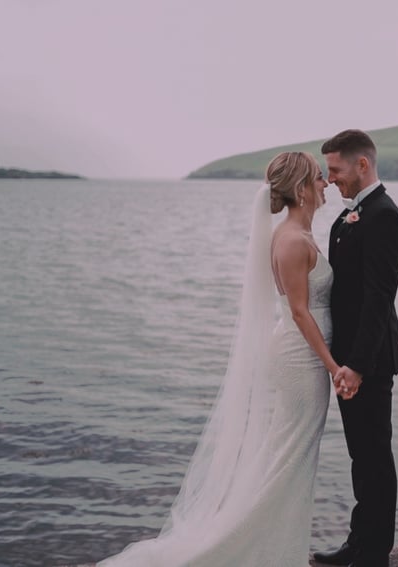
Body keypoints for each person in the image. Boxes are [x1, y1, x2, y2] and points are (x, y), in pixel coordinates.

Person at [98, 151, 343, 566]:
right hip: (301, 360)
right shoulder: (291, 241)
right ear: (302, 188)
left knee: (290, 456)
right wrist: (334, 367)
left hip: (306, 357)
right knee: (290, 458)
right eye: (319, 178)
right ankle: (245, 550)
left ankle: (278, 548)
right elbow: (300, 312)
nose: (325, 184)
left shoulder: (299, 234)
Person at [314, 130, 398, 567]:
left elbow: (378, 299)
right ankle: (358, 541)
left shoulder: (385, 216)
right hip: (348, 358)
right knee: (361, 456)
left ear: (362, 164)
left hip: (368, 361)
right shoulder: (349, 216)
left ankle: (375, 554)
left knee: (375, 456)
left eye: (335, 169)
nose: (331, 178)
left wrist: (355, 365)